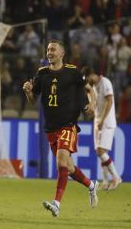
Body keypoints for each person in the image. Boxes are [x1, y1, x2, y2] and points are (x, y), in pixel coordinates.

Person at [23, 40, 98, 217]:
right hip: (51, 128)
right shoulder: (42, 74)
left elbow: (89, 88)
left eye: (53, 49)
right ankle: (91, 185)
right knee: (69, 168)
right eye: (48, 49)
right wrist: (28, 91)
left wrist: (91, 104)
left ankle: (56, 203)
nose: (50, 52)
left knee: (61, 163)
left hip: (68, 124)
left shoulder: (73, 72)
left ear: (62, 53)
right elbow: (34, 100)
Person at [83, 66, 122, 190]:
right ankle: (105, 182)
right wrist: (89, 92)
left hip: (107, 122)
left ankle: (116, 178)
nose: (88, 80)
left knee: (101, 151)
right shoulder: (93, 86)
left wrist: (103, 120)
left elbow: (110, 101)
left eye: (88, 77)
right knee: (99, 153)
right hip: (98, 121)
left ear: (93, 74)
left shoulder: (105, 82)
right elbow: (93, 105)